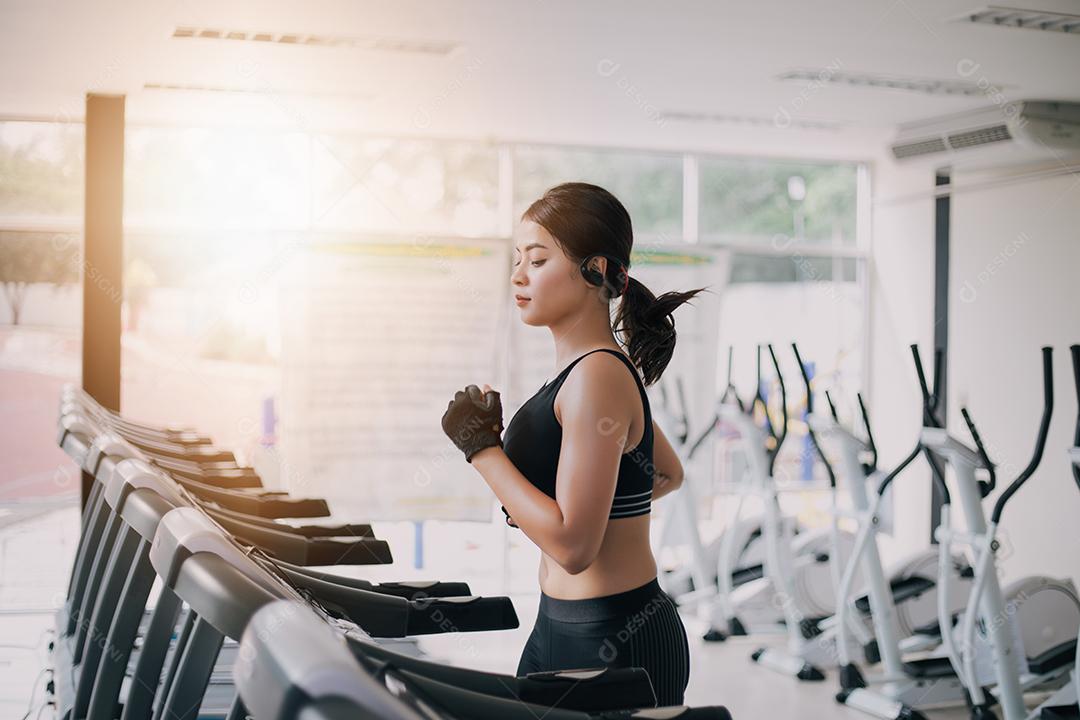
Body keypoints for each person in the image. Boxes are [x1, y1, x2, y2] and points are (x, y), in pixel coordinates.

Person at [441, 182, 706, 706]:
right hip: (558, 625)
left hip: (613, 639)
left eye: (537, 260)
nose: (518, 275)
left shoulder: (597, 377)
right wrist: (575, 503)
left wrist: (482, 450)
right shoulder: (586, 371)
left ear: (597, 271)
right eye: (517, 259)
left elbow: (573, 548)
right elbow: (664, 475)